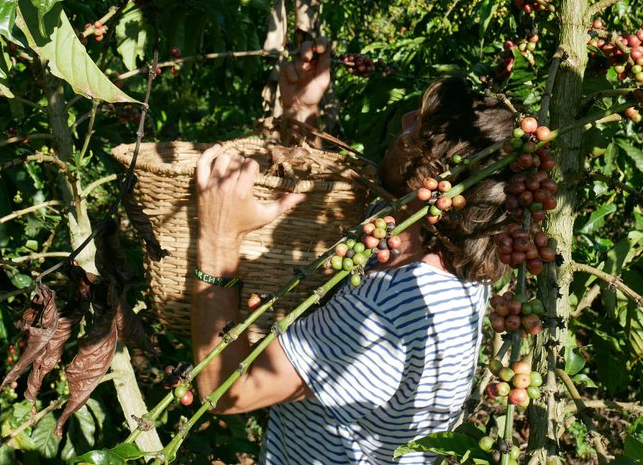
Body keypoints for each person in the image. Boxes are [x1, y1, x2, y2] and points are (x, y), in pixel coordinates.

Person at [191, 38, 517, 464]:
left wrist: (217, 241)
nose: (402, 121)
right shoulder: (428, 243)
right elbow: (321, 211)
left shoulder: (392, 308)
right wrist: (300, 116)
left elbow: (228, 390)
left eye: (414, 129)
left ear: (434, 183)